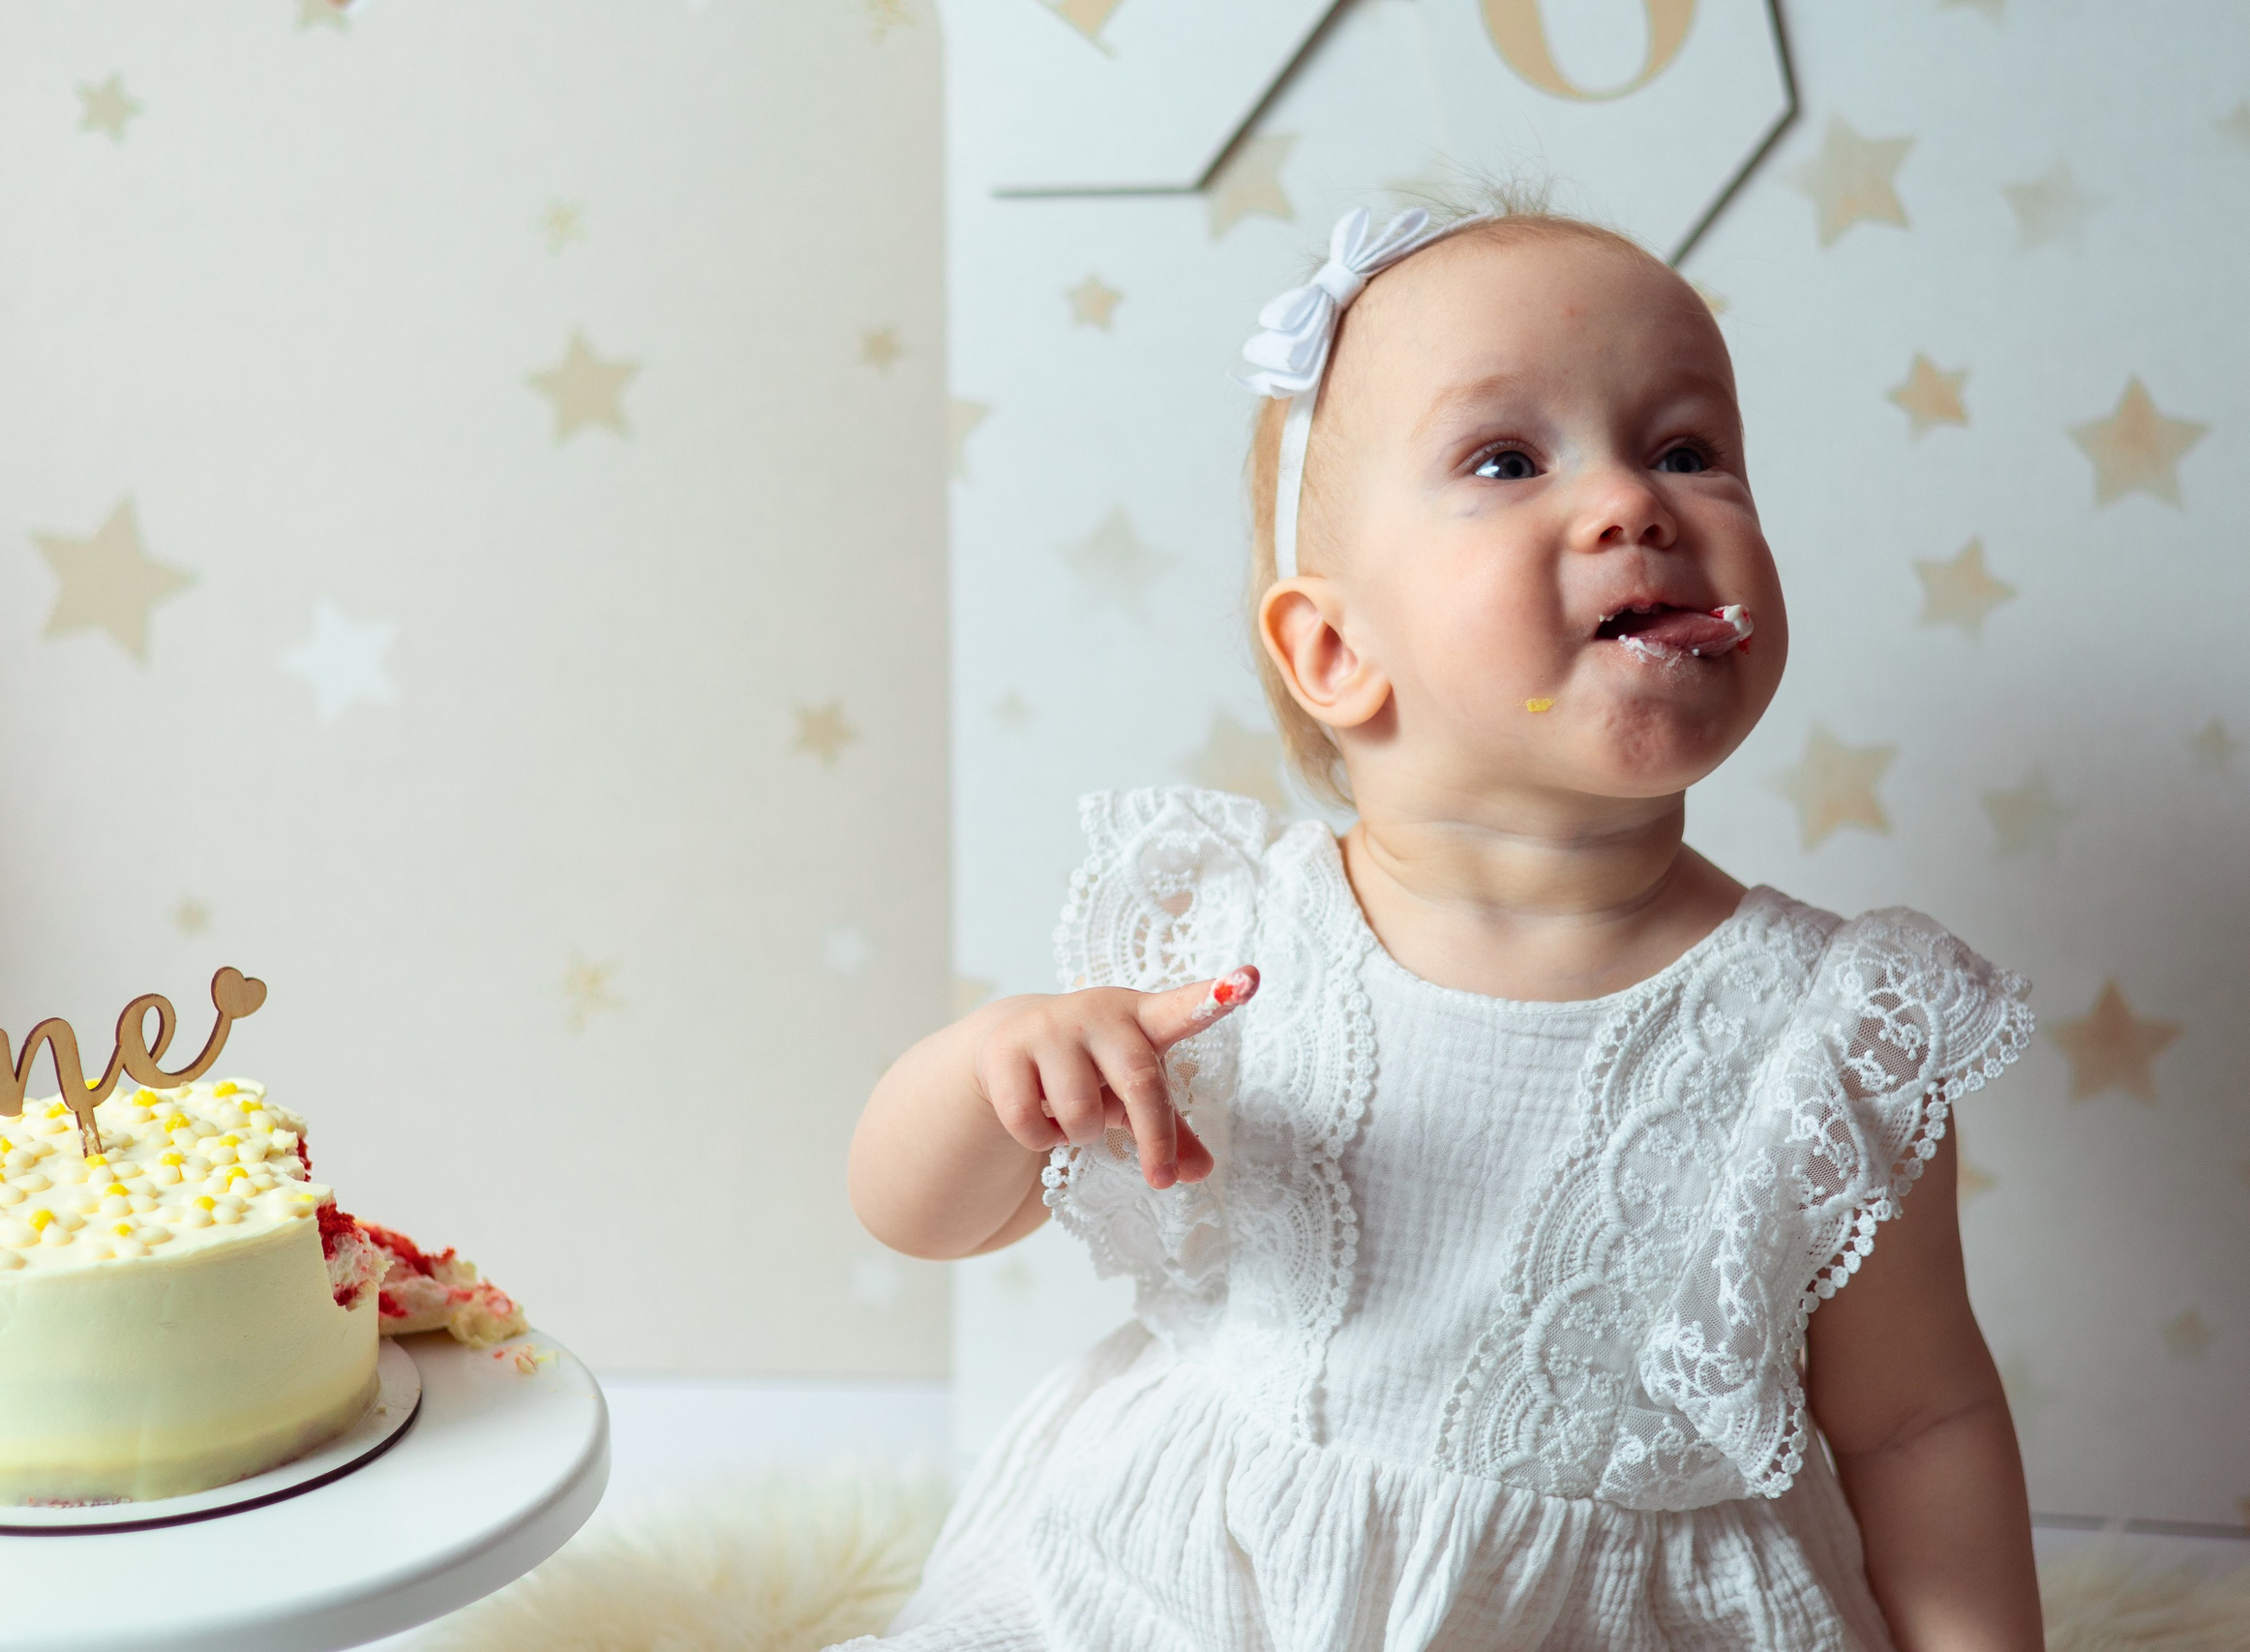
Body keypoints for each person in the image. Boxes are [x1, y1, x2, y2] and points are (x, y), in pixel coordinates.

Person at [843, 195, 2046, 1650]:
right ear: (1335, 647)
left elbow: (1916, 1421)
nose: (1635, 503)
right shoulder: (1225, 934)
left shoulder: (1832, 1033)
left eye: (1686, 450)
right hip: (1201, 1586)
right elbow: (919, 1217)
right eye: (1507, 461)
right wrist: (1003, 1069)